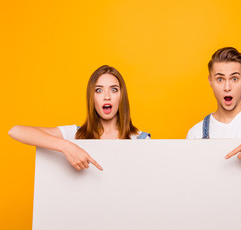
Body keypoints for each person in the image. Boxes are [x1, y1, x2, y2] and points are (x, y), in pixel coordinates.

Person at [8, 65, 150, 170]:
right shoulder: (75, 134)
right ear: (91, 98)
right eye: (98, 90)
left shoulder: (140, 139)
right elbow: (15, 131)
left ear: (122, 96)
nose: (107, 96)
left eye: (114, 89)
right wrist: (66, 146)